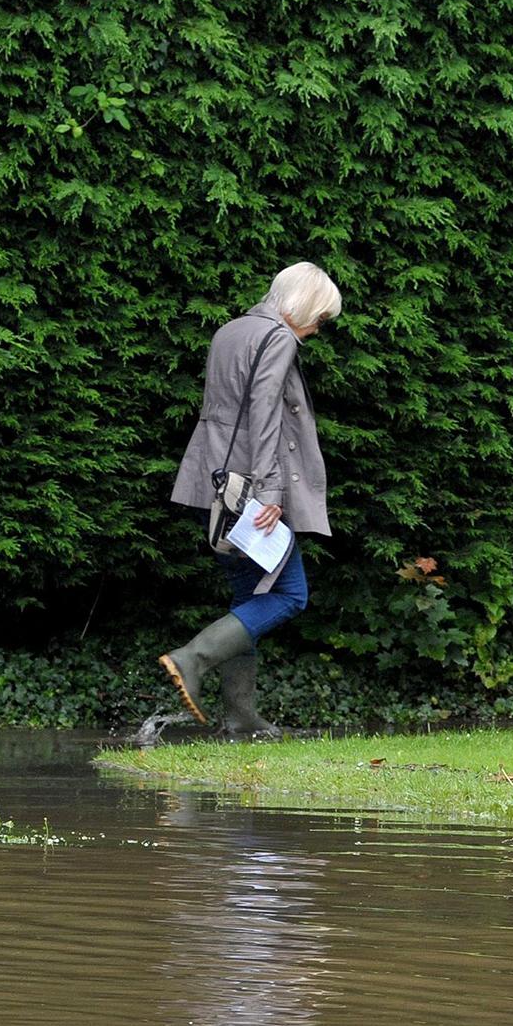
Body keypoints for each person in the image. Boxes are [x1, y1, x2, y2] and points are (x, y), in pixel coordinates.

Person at [162, 262, 343, 737]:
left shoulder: (230, 330)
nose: (317, 329)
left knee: (249, 597)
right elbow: (264, 415)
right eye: (320, 319)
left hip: (214, 481)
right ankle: (192, 658)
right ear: (302, 305)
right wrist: (270, 491)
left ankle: (241, 720)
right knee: (289, 594)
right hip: (252, 490)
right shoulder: (279, 337)